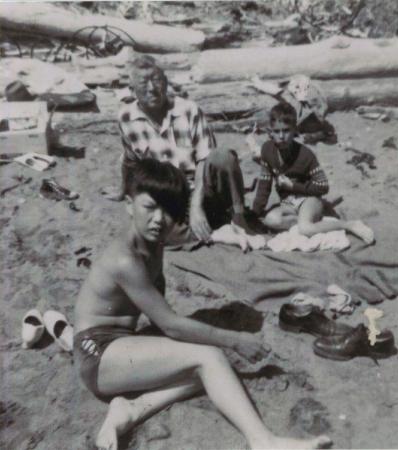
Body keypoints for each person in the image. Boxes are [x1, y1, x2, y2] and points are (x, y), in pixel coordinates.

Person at [74, 158, 331, 450]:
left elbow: (204, 233)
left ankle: (131, 409)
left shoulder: (154, 240)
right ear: (128, 204)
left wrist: (237, 233)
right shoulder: (125, 259)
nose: (159, 219)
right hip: (97, 354)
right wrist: (235, 339)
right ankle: (263, 441)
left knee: (213, 375)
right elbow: (170, 324)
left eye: (168, 211)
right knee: (211, 358)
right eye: (149, 207)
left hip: (120, 344)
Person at [102, 52, 253, 242]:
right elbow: (130, 160)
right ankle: (216, 235)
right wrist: (122, 190)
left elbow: (204, 160)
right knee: (157, 232)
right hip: (170, 195)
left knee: (223, 156)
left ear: (166, 82)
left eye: (156, 80)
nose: (152, 88)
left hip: (203, 188)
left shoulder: (188, 110)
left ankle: (238, 218)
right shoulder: (126, 118)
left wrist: (196, 206)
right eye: (143, 83)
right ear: (132, 89)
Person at [252, 103, 374, 244]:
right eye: (277, 131)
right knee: (271, 220)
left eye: (286, 131)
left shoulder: (305, 155)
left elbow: (323, 186)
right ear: (270, 132)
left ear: (295, 130)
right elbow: (264, 185)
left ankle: (349, 225)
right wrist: (255, 213)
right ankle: (314, 222)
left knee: (304, 229)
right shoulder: (267, 150)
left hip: (309, 199)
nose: (281, 136)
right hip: (288, 203)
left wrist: (293, 187)